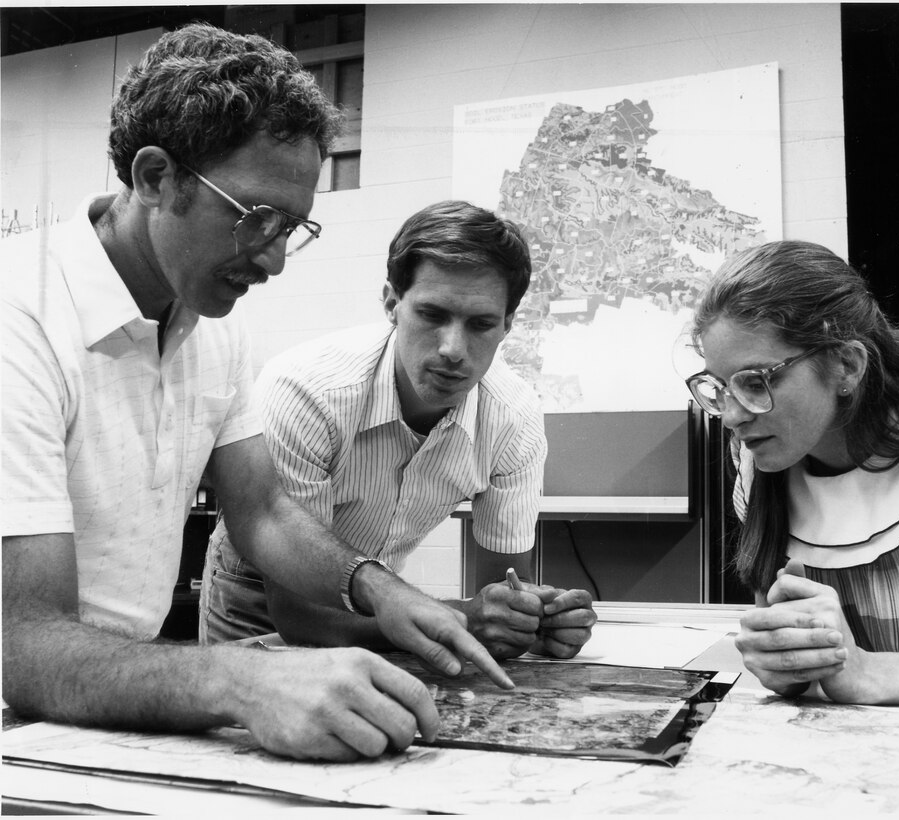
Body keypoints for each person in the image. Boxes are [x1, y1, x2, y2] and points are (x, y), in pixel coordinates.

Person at [1, 23, 516, 765]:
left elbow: (265, 510)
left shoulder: (212, 327)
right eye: (254, 218)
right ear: (154, 178)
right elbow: (23, 647)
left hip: (100, 709)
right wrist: (244, 679)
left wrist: (378, 589)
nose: (273, 258)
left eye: (291, 225)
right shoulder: (18, 316)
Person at [201, 200, 597, 660]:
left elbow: (504, 588)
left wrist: (532, 619)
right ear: (392, 303)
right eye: (432, 315)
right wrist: (465, 619)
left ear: (507, 324)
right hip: (262, 593)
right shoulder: (307, 391)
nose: (453, 349)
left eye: (481, 324)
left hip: (386, 598)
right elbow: (299, 617)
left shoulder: (514, 418)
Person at [684, 240, 899, 705]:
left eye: (756, 382)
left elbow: (857, 672)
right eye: (719, 388)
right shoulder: (762, 466)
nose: (732, 417)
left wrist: (869, 673)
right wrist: (785, 663)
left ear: (846, 365)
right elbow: (789, 645)